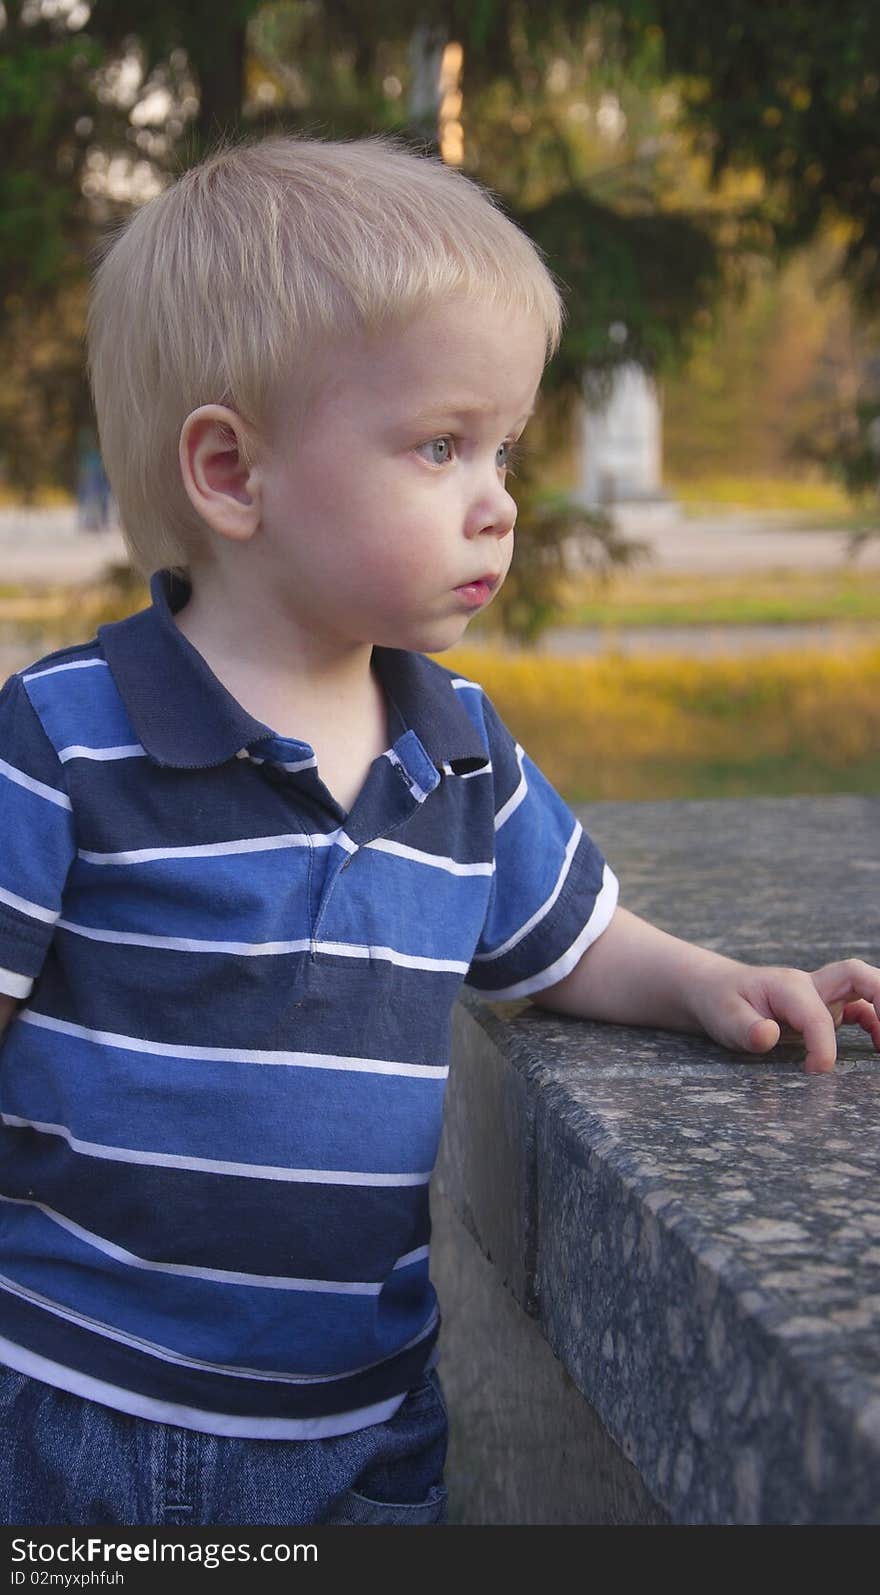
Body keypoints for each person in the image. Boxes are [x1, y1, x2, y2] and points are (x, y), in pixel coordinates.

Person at [0, 135, 877, 1529]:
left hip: (368, 1418)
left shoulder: (454, 744)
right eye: (440, 446)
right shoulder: (68, 737)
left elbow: (569, 941)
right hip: (93, 1415)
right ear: (233, 472)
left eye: (505, 448)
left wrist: (711, 984)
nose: (500, 499)